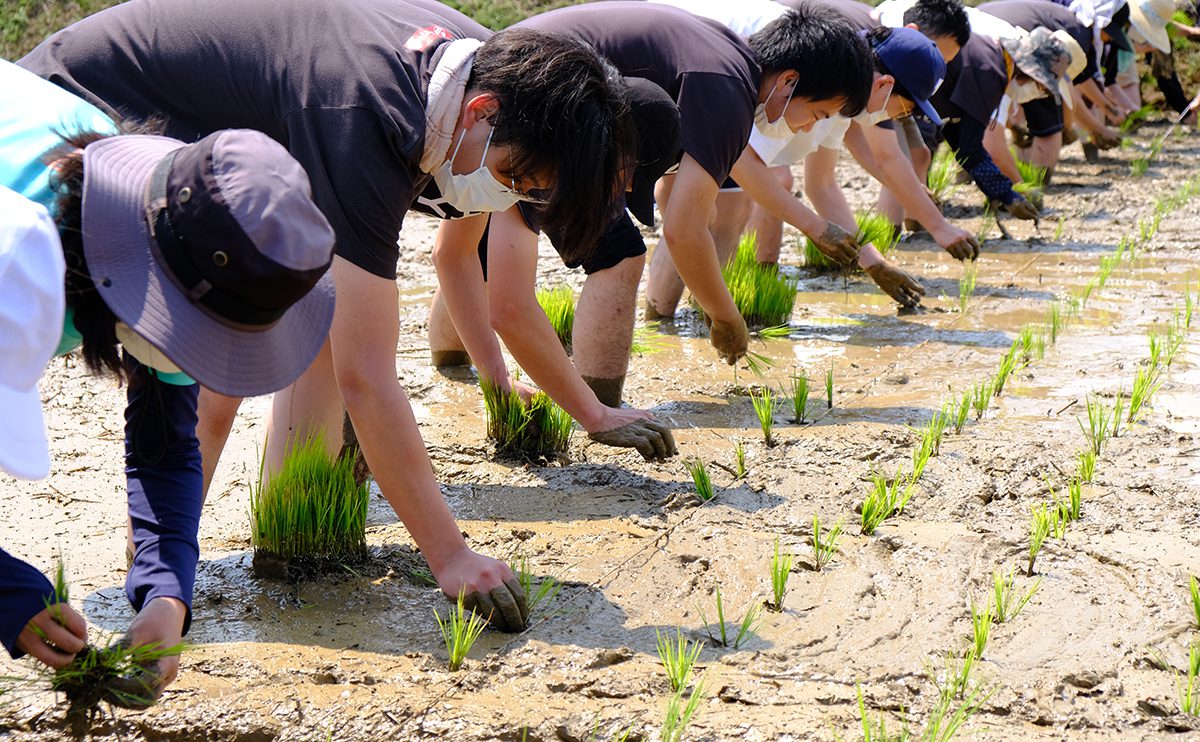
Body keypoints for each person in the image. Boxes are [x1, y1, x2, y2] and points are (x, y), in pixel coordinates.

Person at [22, 0, 643, 630]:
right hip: (84, 112)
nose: (512, 197)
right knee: (205, 332)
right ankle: (152, 560)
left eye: (531, 190)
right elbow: (367, 375)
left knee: (272, 311)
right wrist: (451, 557)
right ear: (482, 114)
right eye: (515, 178)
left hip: (194, 124)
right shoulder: (369, 116)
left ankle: (165, 564)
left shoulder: (490, 79)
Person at [0, 59, 336, 704]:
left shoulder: (184, 238)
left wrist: (165, 591)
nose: (194, 357)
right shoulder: (21, 247)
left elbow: (165, 441)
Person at [426, 1, 874, 414]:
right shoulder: (727, 88)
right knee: (619, 254)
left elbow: (739, 168)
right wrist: (726, 317)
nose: (808, 128)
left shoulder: (722, 57)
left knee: (477, 230)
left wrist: (816, 227)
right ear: (789, 82)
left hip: (504, 77)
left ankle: (452, 365)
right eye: (817, 114)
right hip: (539, 117)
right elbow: (683, 228)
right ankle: (602, 407)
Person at [657, 0, 977, 307]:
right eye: (904, 110)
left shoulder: (841, 92)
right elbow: (745, 162)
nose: (898, 119)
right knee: (730, 204)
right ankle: (702, 314)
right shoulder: (823, 78)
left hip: (690, 62)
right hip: (683, 49)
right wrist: (813, 227)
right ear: (884, 85)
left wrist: (873, 263)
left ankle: (672, 313)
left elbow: (821, 186)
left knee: (705, 193)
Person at [979, 0, 1122, 175]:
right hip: (1016, 49)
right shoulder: (1076, 36)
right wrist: (1078, 128)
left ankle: (990, 173)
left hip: (980, 31)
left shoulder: (1062, 18)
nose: (1112, 40)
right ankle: (1035, 184)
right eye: (1113, 35)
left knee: (978, 120)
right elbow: (1067, 92)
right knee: (1049, 124)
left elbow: (1072, 89)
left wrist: (1100, 118)